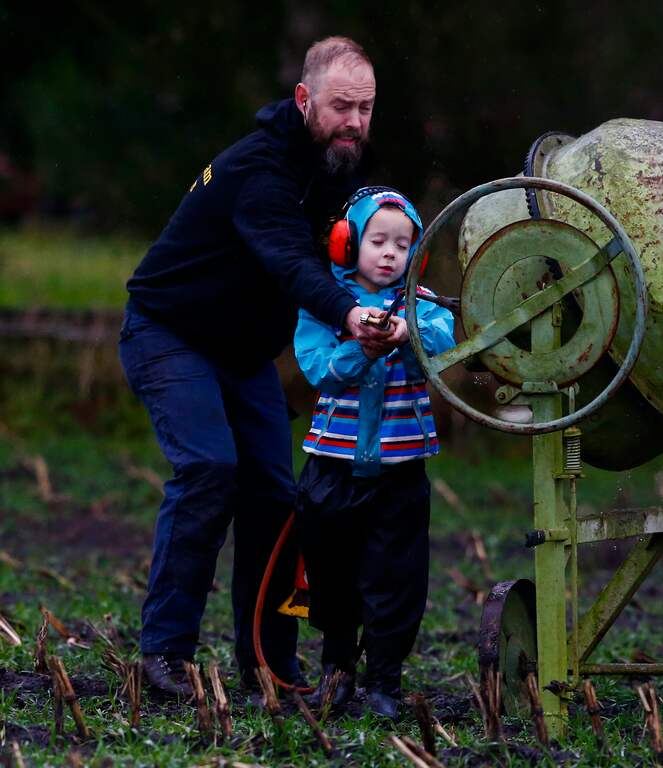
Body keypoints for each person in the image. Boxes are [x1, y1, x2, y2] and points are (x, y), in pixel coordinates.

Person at [119, 36, 401, 696]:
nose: (354, 122)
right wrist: (350, 316)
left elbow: (368, 252)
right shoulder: (260, 171)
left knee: (278, 497)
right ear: (304, 100)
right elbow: (290, 261)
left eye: (366, 108)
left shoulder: (343, 173)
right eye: (341, 107)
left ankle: (267, 661)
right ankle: (163, 654)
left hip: (243, 356)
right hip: (168, 332)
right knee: (210, 468)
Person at [292, 186, 455, 720]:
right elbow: (319, 369)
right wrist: (360, 346)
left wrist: (408, 332)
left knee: (396, 580)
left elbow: (446, 337)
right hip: (331, 469)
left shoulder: (421, 302)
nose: (390, 253)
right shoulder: (324, 303)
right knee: (331, 576)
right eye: (378, 241)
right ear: (348, 244)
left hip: (400, 474)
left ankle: (384, 682)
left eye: (403, 244)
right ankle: (335, 675)